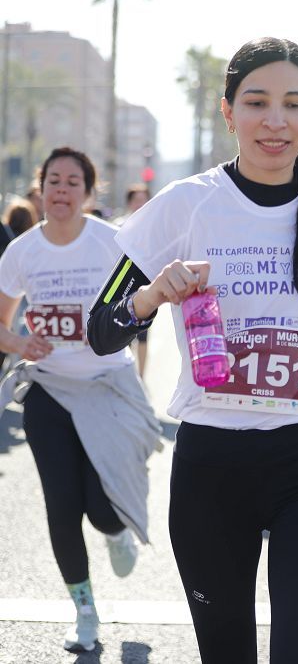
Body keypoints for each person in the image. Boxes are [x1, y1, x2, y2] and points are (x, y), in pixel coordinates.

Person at [86, 38, 298, 663]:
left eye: (294, 104)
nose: (276, 120)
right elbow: (101, 327)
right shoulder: (185, 205)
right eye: (257, 102)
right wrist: (152, 295)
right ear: (228, 111)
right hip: (213, 466)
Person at [0, 148, 161, 653]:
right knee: (60, 506)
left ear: (88, 194)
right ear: (41, 187)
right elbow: (2, 324)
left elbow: (143, 306)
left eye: (73, 182)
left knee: (101, 509)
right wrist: (20, 343)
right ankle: (85, 611)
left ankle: (116, 531)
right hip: (49, 390)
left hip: (106, 389)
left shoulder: (112, 243)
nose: (61, 190)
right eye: (53, 180)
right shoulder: (21, 252)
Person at [116, 184, 154, 377]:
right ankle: (129, 375)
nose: (140, 204)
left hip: (146, 287)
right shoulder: (119, 226)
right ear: (129, 203)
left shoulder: (153, 227)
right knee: (126, 334)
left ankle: (141, 377)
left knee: (144, 335)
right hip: (124, 287)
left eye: (143, 200)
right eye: (136, 200)